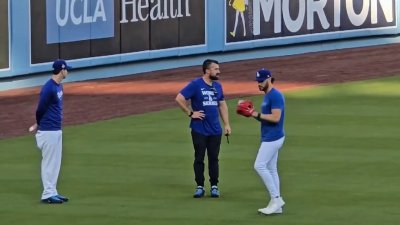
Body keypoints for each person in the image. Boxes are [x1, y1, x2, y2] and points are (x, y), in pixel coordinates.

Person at [175, 59, 231, 198]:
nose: (219, 71)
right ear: (207, 70)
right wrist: (190, 113)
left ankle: (214, 186)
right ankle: (199, 186)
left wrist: (227, 124)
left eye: (218, 69)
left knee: (214, 158)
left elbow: (222, 105)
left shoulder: (218, 86)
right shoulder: (195, 84)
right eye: (216, 69)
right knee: (199, 158)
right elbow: (179, 98)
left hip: (215, 130)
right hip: (199, 129)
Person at [28, 59, 72, 204]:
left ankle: (53, 191)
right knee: (49, 163)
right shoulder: (49, 88)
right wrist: (39, 124)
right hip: (48, 130)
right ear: (62, 70)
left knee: (55, 163)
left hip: (56, 129)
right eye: (66, 69)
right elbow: (40, 108)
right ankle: (47, 194)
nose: (68, 71)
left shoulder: (59, 87)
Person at [244, 68, 286, 215]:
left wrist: (256, 113)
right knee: (272, 169)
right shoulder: (268, 95)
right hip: (271, 136)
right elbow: (264, 117)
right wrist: (252, 114)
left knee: (259, 165)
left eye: (261, 81)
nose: (259, 84)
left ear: (269, 79)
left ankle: (276, 199)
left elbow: (275, 118)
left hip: (273, 138)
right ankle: (277, 206)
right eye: (257, 81)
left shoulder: (275, 96)